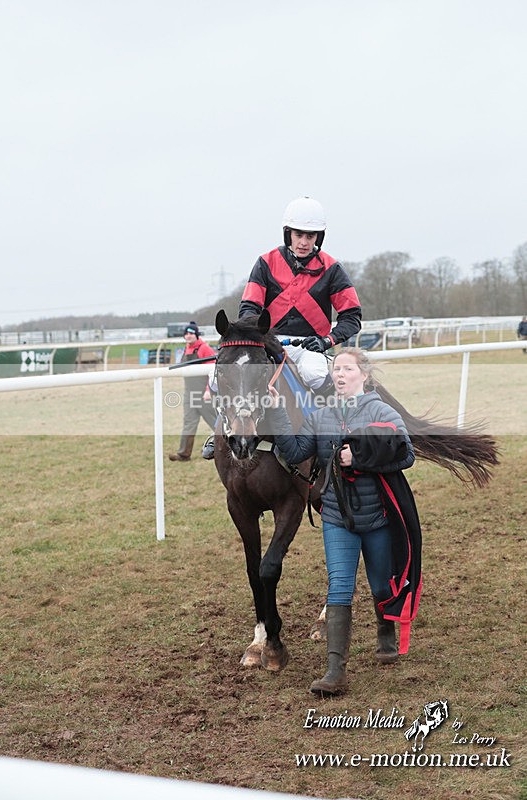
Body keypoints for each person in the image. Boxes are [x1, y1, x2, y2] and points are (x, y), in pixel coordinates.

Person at [267, 348, 421, 696]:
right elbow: (293, 452)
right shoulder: (320, 416)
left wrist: (361, 458)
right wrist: (276, 413)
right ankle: (335, 671)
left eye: (346, 368)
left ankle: (385, 630)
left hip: (378, 518)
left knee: (381, 585)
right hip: (337, 516)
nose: (339, 374)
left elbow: (406, 455)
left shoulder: (382, 411)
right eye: (335, 368)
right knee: (339, 586)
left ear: (363, 375)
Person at [202, 196, 362, 460]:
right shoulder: (266, 262)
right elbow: (249, 309)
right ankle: (220, 432)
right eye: (299, 235)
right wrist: (256, 338)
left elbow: (352, 316)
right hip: (268, 343)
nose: (304, 242)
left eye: (311, 236)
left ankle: (336, 433)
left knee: (314, 373)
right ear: (288, 234)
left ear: (318, 238)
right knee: (217, 377)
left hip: (309, 345)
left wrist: (326, 341)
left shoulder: (332, 269)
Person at [169, 322, 217, 462]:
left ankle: (230, 448)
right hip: (189, 394)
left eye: (191, 333)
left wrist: (208, 391)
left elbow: (212, 372)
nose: (188, 336)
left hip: (204, 395)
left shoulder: (204, 348)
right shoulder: (186, 349)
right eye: (186, 333)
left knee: (216, 423)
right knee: (189, 423)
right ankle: (184, 454)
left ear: (196, 335)